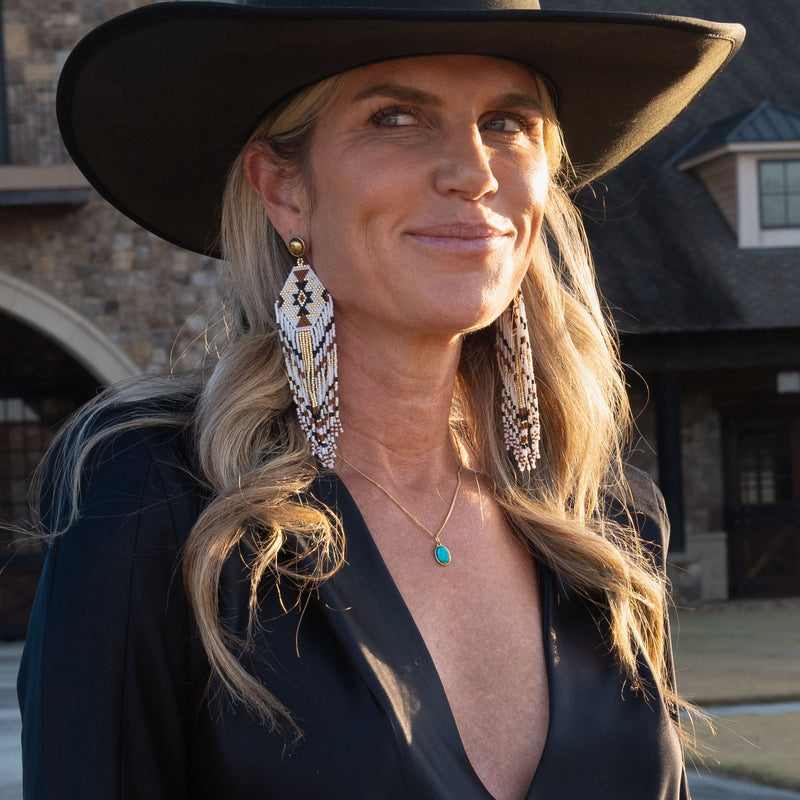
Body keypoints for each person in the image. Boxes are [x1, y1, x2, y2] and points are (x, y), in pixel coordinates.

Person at [17, 1, 744, 798]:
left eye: (508, 122)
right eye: (396, 117)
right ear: (285, 189)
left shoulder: (603, 527)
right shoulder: (154, 501)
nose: (473, 170)